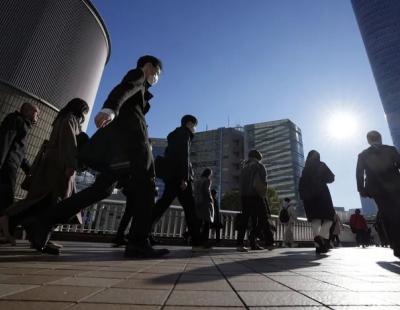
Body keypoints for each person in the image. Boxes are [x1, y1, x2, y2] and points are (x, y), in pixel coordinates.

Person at [12, 55, 168, 258]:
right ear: (148, 67)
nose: (156, 77)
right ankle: (138, 242)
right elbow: (125, 88)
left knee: (100, 190)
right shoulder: (138, 74)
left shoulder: (144, 93)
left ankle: (42, 221)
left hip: (119, 151)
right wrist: (110, 109)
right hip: (132, 147)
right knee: (147, 184)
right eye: (156, 72)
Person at [151, 115, 204, 251]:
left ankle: (141, 233)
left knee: (162, 205)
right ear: (189, 123)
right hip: (180, 178)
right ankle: (197, 242)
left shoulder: (174, 136)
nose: (195, 129)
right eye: (195, 125)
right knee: (191, 210)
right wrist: (184, 178)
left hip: (172, 177)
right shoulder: (184, 134)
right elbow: (184, 156)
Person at [356, 130, 400, 257]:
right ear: (380, 138)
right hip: (396, 186)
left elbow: (359, 173)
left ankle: (396, 245)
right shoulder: (391, 149)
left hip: (377, 190)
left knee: (387, 215)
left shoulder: (363, 154)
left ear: (369, 141)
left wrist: (361, 189)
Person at [0, 102, 39, 243]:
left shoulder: (22, 124)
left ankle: (4, 233)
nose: (38, 117)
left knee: (5, 199)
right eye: (36, 113)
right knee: (5, 200)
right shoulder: (15, 120)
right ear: (28, 111)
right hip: (6, 167)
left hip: (11, 166)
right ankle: (4, 234)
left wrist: (30, 171)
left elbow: (20, 153)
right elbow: (4, 142)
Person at [236, 149, 275, 252]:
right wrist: (263, 192)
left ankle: (241, 244)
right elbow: (263, 182)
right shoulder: (259, 166)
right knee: (263, 219)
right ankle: (269, 243)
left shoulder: (244, 168)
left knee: (245, 220)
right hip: (256, 196)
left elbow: (240, 185)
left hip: (244, 197)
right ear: (258, 157)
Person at [299, 150, 335, 254]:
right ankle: (322, 237)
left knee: (315, 219)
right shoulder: (321, 165)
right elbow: (331, 178)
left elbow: (302, 183)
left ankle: (318, 244)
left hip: (309, 197)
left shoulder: (305, 169)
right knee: (329, 218)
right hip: (322, 195)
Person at [194, 168, 214, 247]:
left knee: (198, 223)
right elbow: (207, 191)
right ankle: (204, 242)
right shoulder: (207, 180)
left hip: (197, 203)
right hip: (205, 204)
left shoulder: (197, 181)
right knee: (207, 223)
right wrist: (211, 199)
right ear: (209, 174)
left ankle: (196, 241)